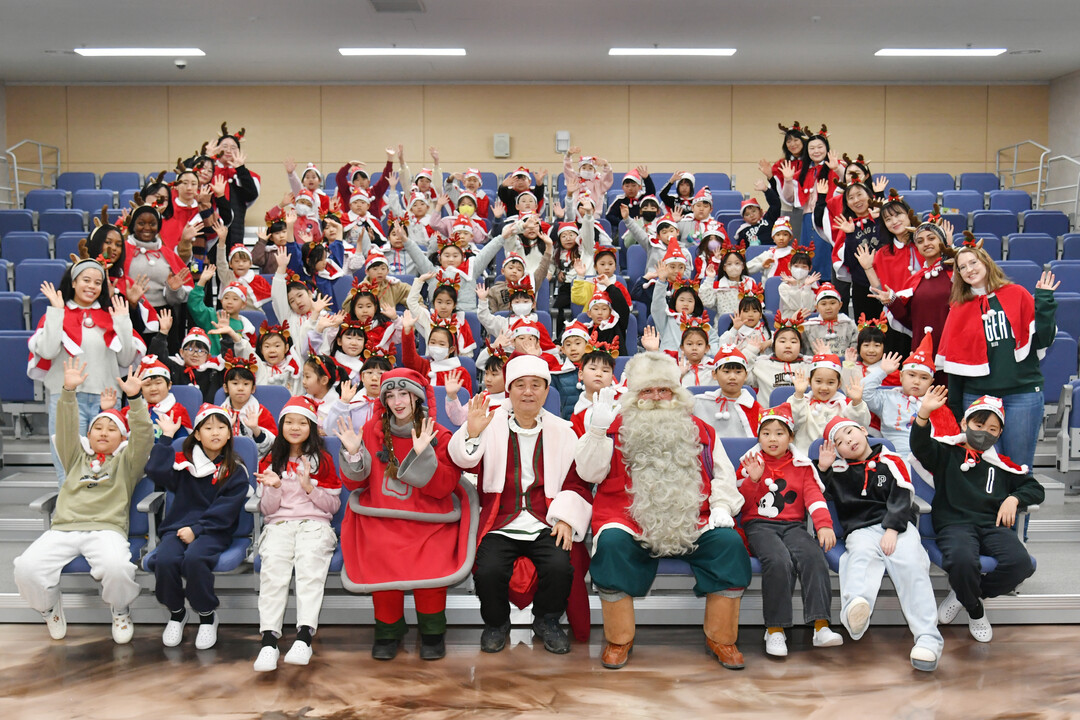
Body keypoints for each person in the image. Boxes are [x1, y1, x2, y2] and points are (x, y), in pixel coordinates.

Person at [575, 352, 751, 670]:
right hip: (628, 518)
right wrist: (597, 433)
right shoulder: (613, 429)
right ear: (634, 394)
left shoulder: (702, 431)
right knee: (612, 546)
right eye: (647, 391)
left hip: (693, 517)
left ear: (676, 393)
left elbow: (724, 475)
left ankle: (722, 638)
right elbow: (589, 473)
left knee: (728, 545)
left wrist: (722, 506)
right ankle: (619, 639)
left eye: (663, 390)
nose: (656, 397)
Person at [447, 354, 593, 655]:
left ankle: (547, 620)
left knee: (559, 566)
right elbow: (464, 461)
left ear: (546, 391)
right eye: (521, 385)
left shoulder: (564, 431)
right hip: (501, 521)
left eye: (536, 385)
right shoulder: (490, 423)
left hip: (546, 520)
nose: (528, 392)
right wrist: (472, 432)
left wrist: (565, 518)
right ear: (509, 391)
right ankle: (496, 623)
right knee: (487, 570)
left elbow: (577, 482)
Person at [337, 369, 477, 661]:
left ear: (417, 397)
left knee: (431, 567)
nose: (397, 401)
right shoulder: (372, 433)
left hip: (429, 522)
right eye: (390, 395)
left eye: (403, 394)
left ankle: (432, 632)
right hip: (383, 520)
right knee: (381, 558)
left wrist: (424, 454)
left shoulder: (438, 433)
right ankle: (388, 631)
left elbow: (444, 487)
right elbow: (357, 484)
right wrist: (353, 454)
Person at [13, 361, 152, 644]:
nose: (102, 432)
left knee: (118, 568)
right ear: (88, 435)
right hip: (63, 528)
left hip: (105, 528)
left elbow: (144, 438)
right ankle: (49, 606)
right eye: (97, 427)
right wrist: (67, 392)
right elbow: (65, 429)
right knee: (25, 568)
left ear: (122, 437)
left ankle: (120, 608)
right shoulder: (75, 457)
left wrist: (136, 400)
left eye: (111, 429)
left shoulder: (127, 462)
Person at [910, 389, 1045, 643]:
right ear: (965, 423)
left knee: (1021, 564)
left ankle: (966, 595)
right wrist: (924, 413)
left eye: (992, 429)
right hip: (954, 525)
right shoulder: (946, 452)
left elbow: (1035, 488)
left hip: (992, 525)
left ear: (1000, 433)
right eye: (979, 424)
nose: (984, 432)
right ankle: (975, 610)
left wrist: (1014, 498)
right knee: (962, 562)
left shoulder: (1003, 465)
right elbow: (920, 446)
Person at [817, 416, 943, 671]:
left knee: (911, 566)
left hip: (897, 527)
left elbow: (902, 495)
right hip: (860, 531)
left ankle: (928, 639)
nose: (848, 441)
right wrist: (823, 469)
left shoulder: (891, 459)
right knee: (859, 558)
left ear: (864, 431)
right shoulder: (839, 469)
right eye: (839, 442)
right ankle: (856, 611)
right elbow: (815, 491)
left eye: (850, 433)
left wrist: (892, 529)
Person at [936, 246, 1059, 469]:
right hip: (977, 396)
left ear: (986, 262)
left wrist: (1045, 302)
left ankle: (1017, 505)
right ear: (959, 276)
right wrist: (955, 408)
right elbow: (955, 365)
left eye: (973, 262)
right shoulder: (958, 308)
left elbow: (1043, 340)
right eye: (962, 267)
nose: (969, 269)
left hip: (1022, 394)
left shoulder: (1017, 293)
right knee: (984, 466)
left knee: (1018, 466)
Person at [736, 403, 843, 658]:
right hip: (759, 526)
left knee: (814, 556)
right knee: (778, 560)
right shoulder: (750, 462)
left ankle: (820, 626)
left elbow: (814, 497)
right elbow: (740, 504)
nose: (772, 439)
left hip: (793, 526)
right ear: (758, 436)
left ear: (791, 436)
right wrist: (752, 481)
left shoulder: (803, 465)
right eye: (766, 433)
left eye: (779, 433)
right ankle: (775, 629)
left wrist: (824, 525)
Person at [29, 255, 142, 485]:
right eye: (86, 280)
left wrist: (123, 322)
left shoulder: (111, 315)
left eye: (97, 282)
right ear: (72, 282)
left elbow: (127, 357)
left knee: (109, 465)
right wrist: (56, 312)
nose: (91, 286)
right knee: (66, 464)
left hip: (106, 400)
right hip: (67, 399)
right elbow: (48, 351)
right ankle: (68, 517)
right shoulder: (56, 314)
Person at [146, 403, 249, 650]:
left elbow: (225, 510)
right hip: (177, 528)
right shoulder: (183, 463)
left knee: (194, 559)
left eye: (221, 427)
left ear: (229, 434)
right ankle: (177, 612)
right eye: (208, 427)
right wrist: (167, 439)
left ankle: (206, 615)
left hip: (213, 531)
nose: (215, 433)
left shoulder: (235, 470)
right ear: (197, 434)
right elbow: (154, 471)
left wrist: (198, 530)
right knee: (165, 560)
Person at [252, 396, 343, 672]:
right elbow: (267, 511)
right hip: (279, 524)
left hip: (315, 524)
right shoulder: (269, 460)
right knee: (273, 571)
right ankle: (269, 641)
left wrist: (309, 488)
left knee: (309, 566)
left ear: (311, 426)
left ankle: (304, 637)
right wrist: (275, 487)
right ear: (280, 426)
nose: (294, 427)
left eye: (301, 422)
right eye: (289, 422)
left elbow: (333, 506)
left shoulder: (322, 460)